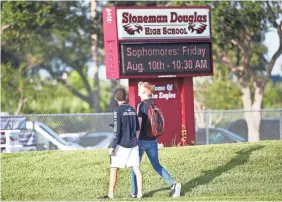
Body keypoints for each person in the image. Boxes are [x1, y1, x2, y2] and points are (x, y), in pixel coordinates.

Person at [130, 81, 181, 198]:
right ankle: (173, 184)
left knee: (134, 166)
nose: (138, 92)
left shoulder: (141, 106)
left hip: (141, 141)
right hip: (153, 141)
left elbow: (139, 124)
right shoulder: (153, 104)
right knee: (157, 165)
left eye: (139, 90)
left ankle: (134, 192)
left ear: (144, 92)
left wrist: (134, 141)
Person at [102, 88, 143, 199]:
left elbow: (117, 131)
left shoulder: (117, 110)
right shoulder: (132, 109)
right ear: (126, 97)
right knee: (136, 168)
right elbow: (137, 128)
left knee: (114, 168)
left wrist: (113, 147)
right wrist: (136, 141)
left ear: (116, 98)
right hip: (134, 144)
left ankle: (110, 194)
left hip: (121, 145)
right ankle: (140, 194)